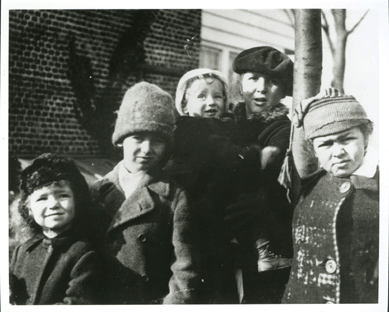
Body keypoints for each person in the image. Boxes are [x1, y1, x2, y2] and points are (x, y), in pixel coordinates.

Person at [166, 68, 280, 303]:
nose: (211, 102)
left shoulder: (225, 126)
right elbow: (224, 154)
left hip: (224, 216)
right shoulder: (192, 129)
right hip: (205, 215)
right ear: (185, 104)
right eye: (202, 96)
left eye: (218, 96)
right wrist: (253, 158)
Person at [90, 81, 201, 304]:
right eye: (138, 138)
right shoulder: (96, 192)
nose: (147, 150)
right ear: (121, 140)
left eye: (158, 141)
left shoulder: (173, 196)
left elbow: (185, 267)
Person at [283, 90, 379, 304]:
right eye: (325, 144)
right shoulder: (308, 185)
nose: (337, 152)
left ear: (366, 137)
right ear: (314, 149)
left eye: (347, 139)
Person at [227, 46, 295, 303]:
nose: (261, 88)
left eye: (273, 81)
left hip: (261, 235)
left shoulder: (282, 129)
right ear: (240, 83)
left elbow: (270, 173)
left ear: (285, 90)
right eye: (253, 78)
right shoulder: (225, 120)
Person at [9, 153, 102, 305]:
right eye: (42, 198)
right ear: (28, 209)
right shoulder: (24, 250)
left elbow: (78, 304)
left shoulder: (83, 253)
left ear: (78, 202)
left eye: (62, 196)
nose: (53, 204)